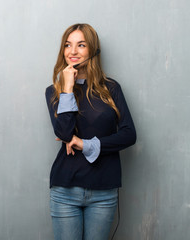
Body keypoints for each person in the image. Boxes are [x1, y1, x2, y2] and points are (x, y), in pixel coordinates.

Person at [45, 23, 136, 240]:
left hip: (104, 191)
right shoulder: (54, 92)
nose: (73, 51)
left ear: (92, 50)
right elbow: (65, 133)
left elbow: (129, 134)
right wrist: (67, 87)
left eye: (81, 45)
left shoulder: (111, 89)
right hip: (65, 191)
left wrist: (85, 144)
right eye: (68, 45)